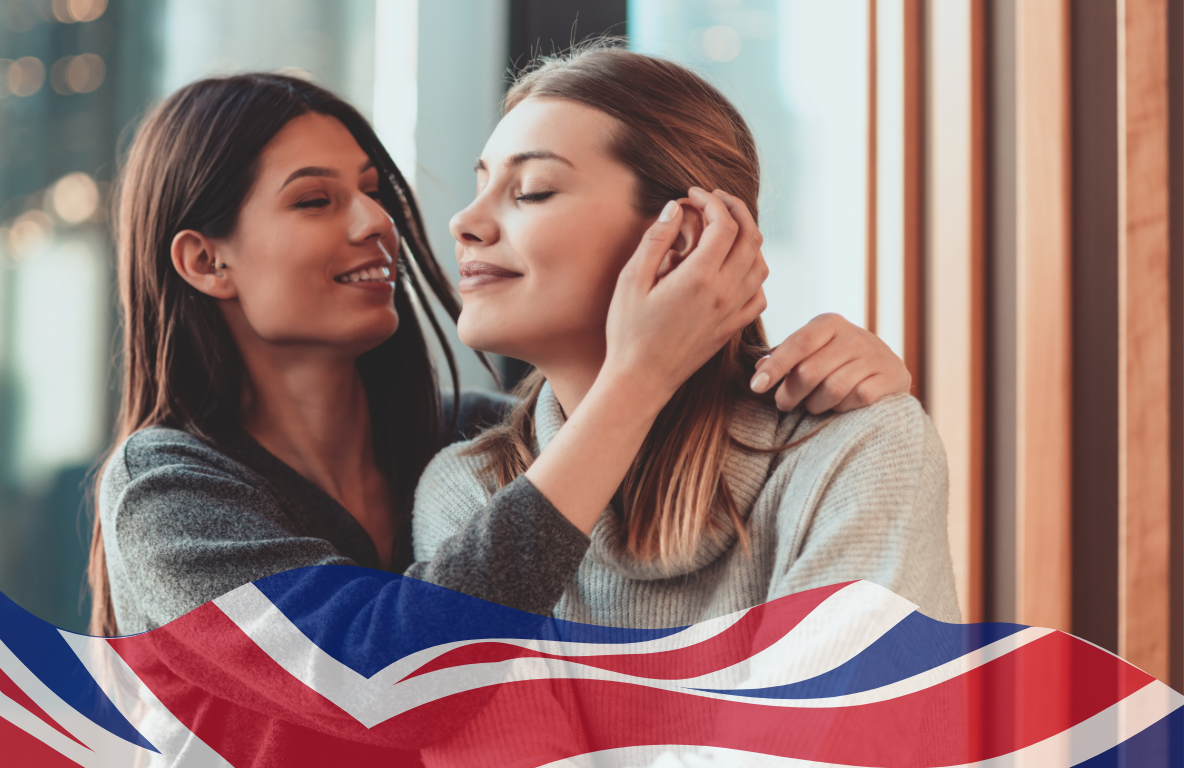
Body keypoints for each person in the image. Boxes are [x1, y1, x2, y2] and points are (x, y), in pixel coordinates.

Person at [90, 71, 916, 767]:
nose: (379, 224)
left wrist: (846, 382)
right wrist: (639, 373)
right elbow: (386, 677)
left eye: (375, 193)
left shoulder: (480, 446)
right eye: (314, 201)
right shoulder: (166, 493)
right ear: (207, 260)